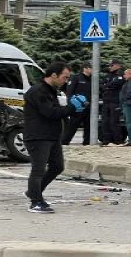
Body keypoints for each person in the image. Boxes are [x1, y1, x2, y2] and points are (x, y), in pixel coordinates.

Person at [22, 62, 88, 213]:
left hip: (51, 136)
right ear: (53, 75)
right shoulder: (38, 91)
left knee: (58, 166)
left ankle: (33, 192)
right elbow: (50, 113)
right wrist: (72, 107)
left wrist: (73, 109)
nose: (66, 80)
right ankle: (36, 202)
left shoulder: (50, 90)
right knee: (38, 170)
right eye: (65, 77)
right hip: (38, 136)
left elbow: (57, 111)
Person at [62, 62, 93, 145]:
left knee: (88, 125)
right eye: (91, 68)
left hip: (89, 106)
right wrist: (73, 105)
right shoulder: (76, 78)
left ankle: (87, 142)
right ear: (85, 68)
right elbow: (69, 92)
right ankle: (64, 142)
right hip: (78, 107)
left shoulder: (92, 79)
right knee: (73, 125)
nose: (93, 70)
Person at [100, 59, 125, 146]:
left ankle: (118, 141)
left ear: (117, 65)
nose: (109, 67)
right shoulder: (108, 75)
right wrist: (108, 86)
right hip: (106, 101)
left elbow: (116, 84)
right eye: (109, 65)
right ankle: (106, 140)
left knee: (114, 122)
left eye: (111, 65)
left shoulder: (121, 75)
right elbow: (102, 86)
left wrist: (107, 86)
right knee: (104, 122)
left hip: (115, 101)